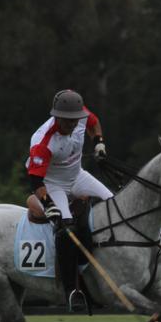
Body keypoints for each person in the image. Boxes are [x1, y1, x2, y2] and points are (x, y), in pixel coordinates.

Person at [26, 89, 113, 305]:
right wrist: (48, 204)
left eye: (75, 119)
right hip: (52, 184)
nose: (73, 124)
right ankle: (72, 290)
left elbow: (94, 122)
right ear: (57, 116)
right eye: (67, 121)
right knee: (66, 229)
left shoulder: (80, 116)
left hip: (78, 175)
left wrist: (99, 142)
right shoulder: (43, 141)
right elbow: (35, 181)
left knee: (113, 203)